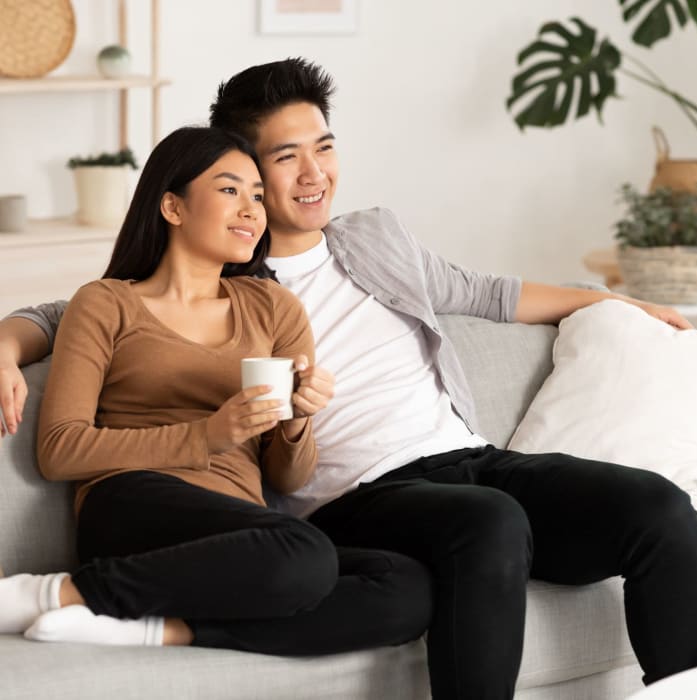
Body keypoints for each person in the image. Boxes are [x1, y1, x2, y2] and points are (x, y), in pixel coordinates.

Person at [2, 57, 697, 698]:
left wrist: (617, 302)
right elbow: (82, 310)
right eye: (284, 157)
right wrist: (7, 342)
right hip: (359, 500)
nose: (314, 173)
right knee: (489, 524)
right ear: (241, 169)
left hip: (471, 460)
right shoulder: (229, 275)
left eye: (324, 147)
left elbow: (490, 292)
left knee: (660, 511)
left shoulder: (373, 239)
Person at [0, 125, 432, 655]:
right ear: (172, 207)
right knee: (303, 552)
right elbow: (59, 449)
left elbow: (286, 476)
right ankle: (50, 592)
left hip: (243, 530)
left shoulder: (274, 307)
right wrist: (207, 435)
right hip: (132, 504)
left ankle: (155, 628)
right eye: (230, 190)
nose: (252, 209)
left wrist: (297, 420)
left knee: (406, 585)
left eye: (257, 195)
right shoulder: (106, 302)